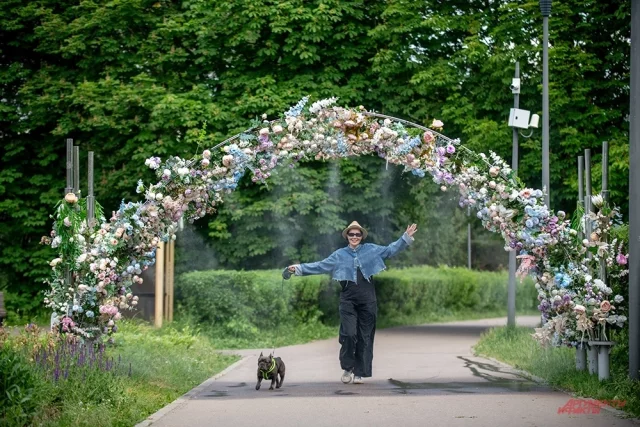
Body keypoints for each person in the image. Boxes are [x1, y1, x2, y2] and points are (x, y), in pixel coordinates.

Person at [288, 221, 417, 384]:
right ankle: (348, 367)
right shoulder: (339, 255)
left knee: (365, 336)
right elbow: (320, 266)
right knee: (349, 334)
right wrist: (298, 268)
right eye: (351, 234)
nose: (354, 237)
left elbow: (390, 250)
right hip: (348, 300)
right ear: (347, 236)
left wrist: (405, 237)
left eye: (357, 234)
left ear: (361, 236)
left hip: (368, 300)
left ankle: (359, 373)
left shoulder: (371, 249)